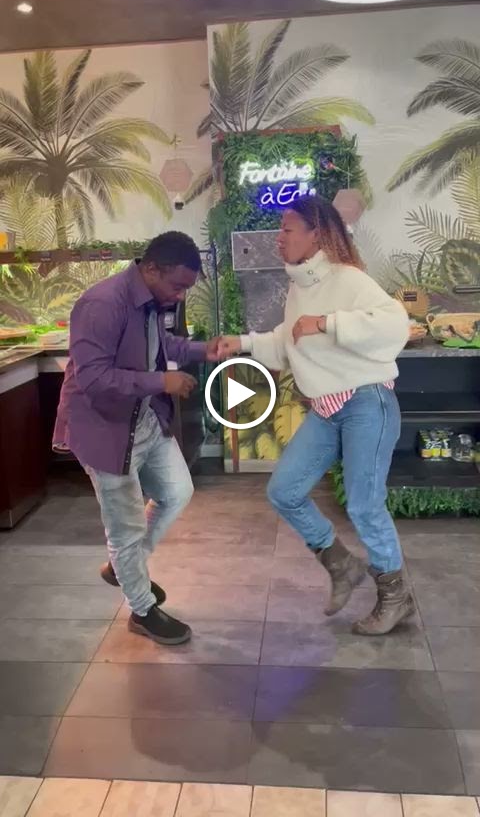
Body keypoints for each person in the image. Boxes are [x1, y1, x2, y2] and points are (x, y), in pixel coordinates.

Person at [219, 195, 412, 636]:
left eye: (287, 230)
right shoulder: (299, 287)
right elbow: (289, 340)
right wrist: (241, 343)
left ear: (316, 235)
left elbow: (394, 324)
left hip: (366, 403)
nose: (279, 238)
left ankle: (395, 596)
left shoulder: (348, 279)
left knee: (364, 505)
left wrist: (327, 322)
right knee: (284, 490)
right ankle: (341, 565)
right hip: (327, 410)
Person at [53, 232, 220, 646]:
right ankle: (142, 610)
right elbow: (93, 379)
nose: (180, 296)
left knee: (177, 492)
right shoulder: (101, 304)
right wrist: (160, 381)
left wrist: (203, 350)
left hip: (143, 419)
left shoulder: (150, 301)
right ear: (152, 269)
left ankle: (123, 566)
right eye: (177, 286)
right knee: (125, 527)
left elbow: (161, 344)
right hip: (103, 429)